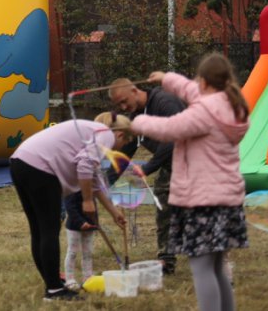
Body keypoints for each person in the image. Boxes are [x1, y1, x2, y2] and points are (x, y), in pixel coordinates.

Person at [130, 54, 250, 311]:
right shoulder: (226, 103)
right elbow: (192, 91)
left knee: (202, 269)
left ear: (205, 82)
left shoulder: (205, 112)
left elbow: (170, 129)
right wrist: (167, 79)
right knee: (216, 268)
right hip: (226, 201)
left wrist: (136, 122)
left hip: (204, 201)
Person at [9, 112, 130, 302]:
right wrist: (87, 201)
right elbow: (84, 165)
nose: (121, 148)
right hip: (41, 166)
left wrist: (114, 212)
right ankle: (55, 291)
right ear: (121, 135)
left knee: (39, 230)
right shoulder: (105, 133)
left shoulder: (90, 131)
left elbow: (94, 179)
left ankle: (52, 284)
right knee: (49, 230)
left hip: (20, 160)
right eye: (125, 144)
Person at [109, 76, 186, 274]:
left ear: (135, 91)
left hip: (194, 162)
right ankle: (166, 259)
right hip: (171, 166)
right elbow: (125, 150)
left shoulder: (163, 102)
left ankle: (213, 253)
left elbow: (173, 137)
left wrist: (148, 167)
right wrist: (105, 181)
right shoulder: (135, 117)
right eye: (119, 105)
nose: (124, 107)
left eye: (124, 101)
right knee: (164, 208)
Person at [62, 191, 97, 291]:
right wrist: (81, 222)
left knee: (88, 253)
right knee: (72, 252)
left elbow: (94, 206)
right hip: (74, 226)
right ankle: (70, 279)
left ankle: (88, 278)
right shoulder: (70, 189)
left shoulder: (90, 188)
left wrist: (95, 222)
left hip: (89, 226)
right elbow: (70, 208)